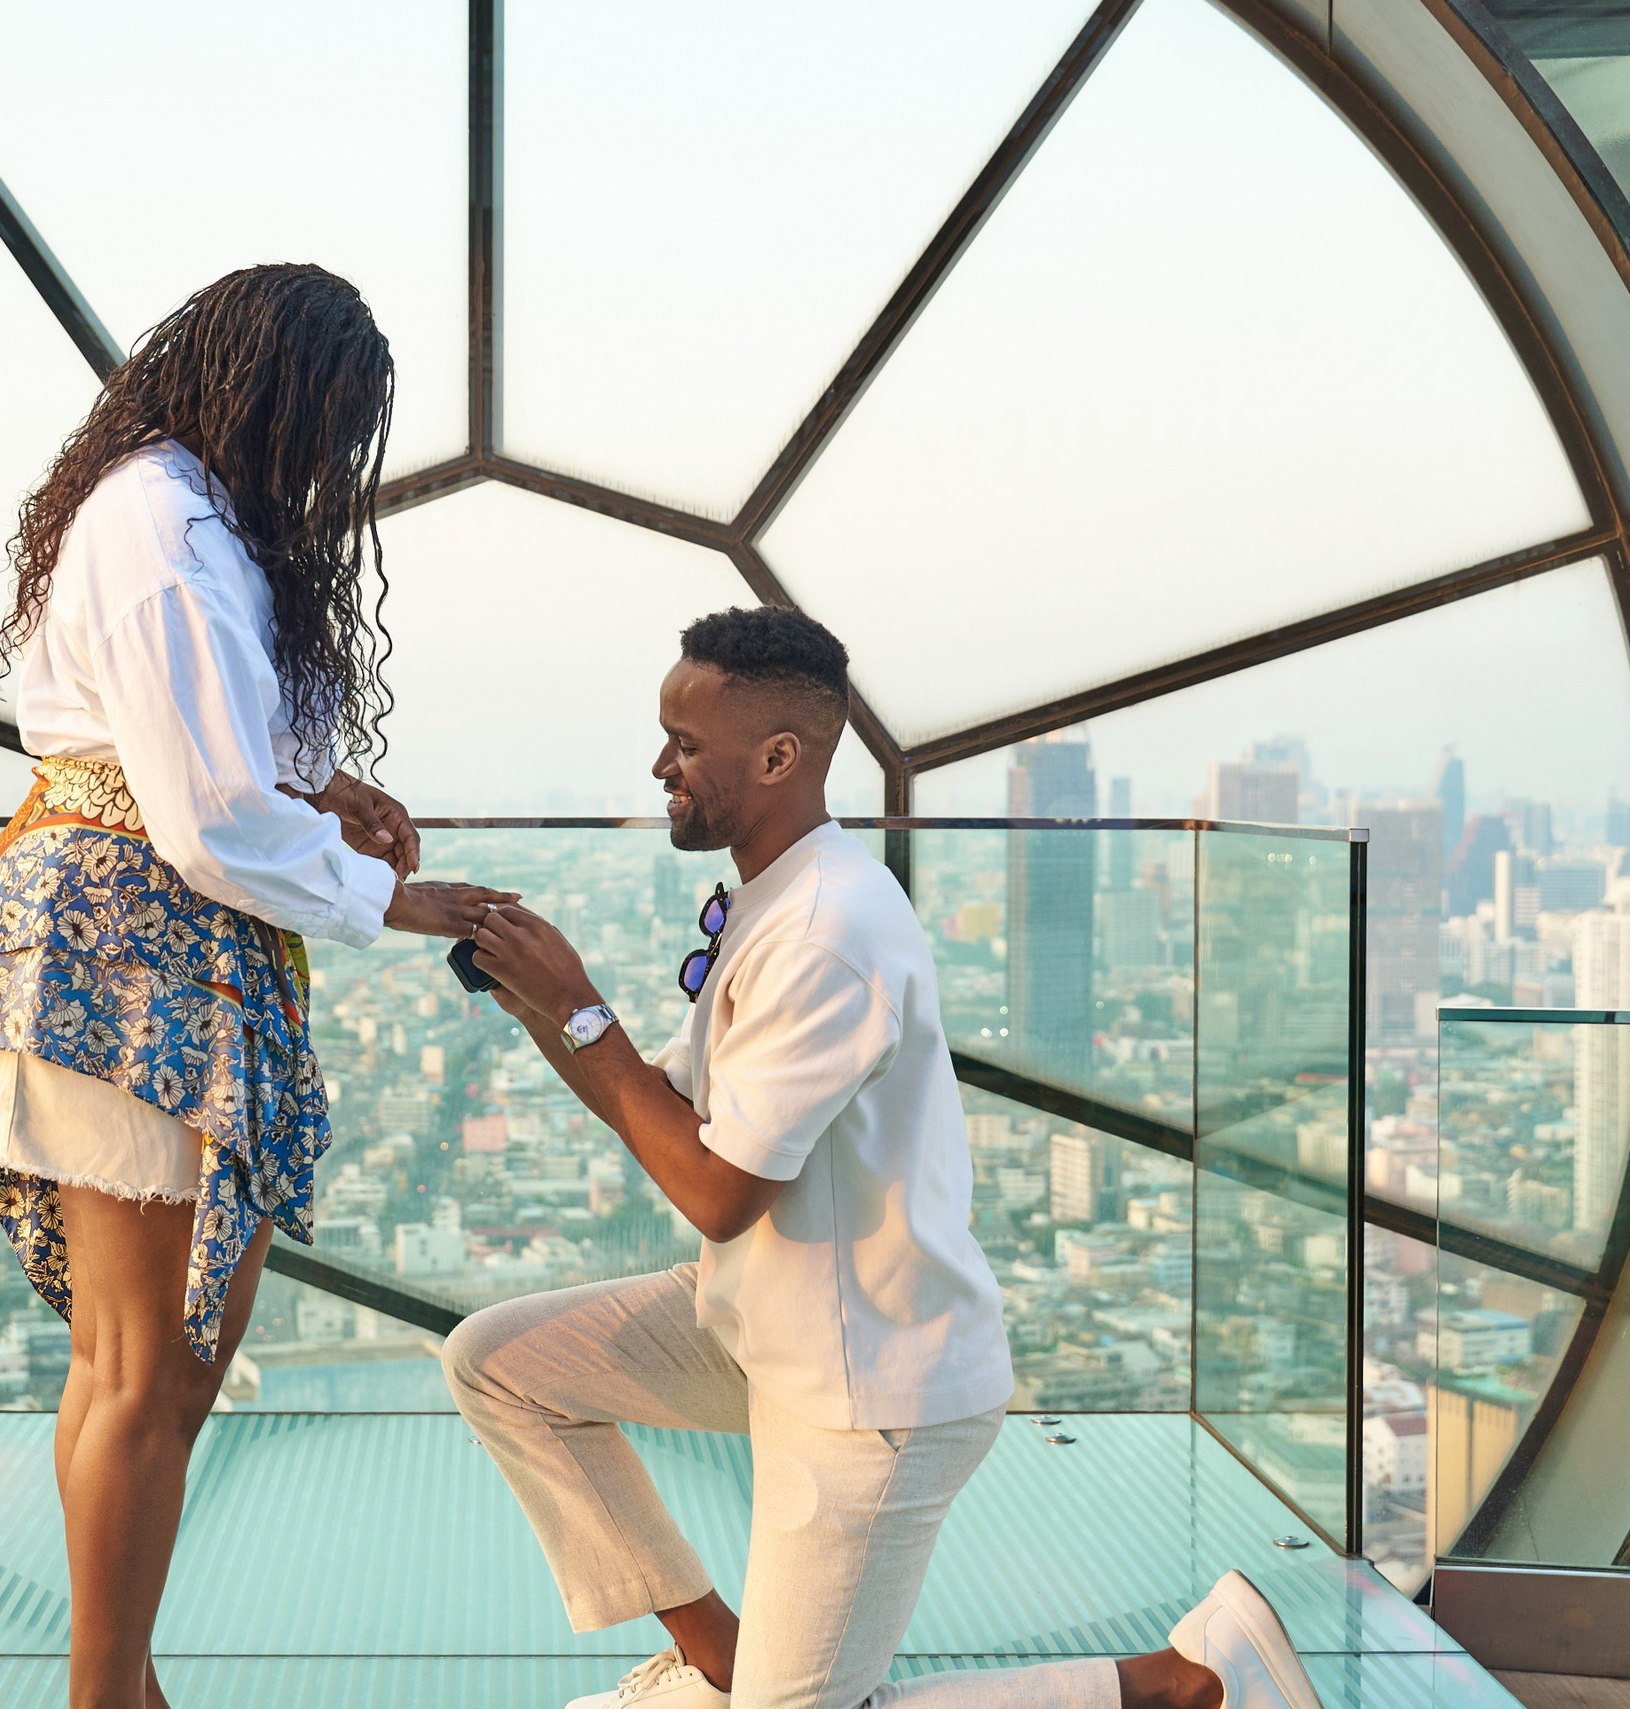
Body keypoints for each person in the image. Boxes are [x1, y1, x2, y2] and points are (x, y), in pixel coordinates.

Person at [453, 606, 1322, 1709]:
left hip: (868, 1385)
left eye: (685, 743)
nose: (660, 766)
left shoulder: (827, 929)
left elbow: (717, 1194)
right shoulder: (774, 897)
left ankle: (1189, 1683)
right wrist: (541, 1005)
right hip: (770, 1329)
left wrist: (581, 1006)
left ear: (779, 757)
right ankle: (720, 1652)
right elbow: (663, 1107)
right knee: (500, 1363)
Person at [0, 263, 511, 1709]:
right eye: (328, 422)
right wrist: (396, 898)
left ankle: (121, 1686)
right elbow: (206, 814)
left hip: (126, 952)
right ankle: (108, 1697)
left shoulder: (177, 511)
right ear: (269, 395)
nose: (328, 461)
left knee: (132, 1364)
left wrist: (325, 789)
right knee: (155, 1368)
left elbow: (202, 752)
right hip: (132, 957)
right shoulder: (164, 518)